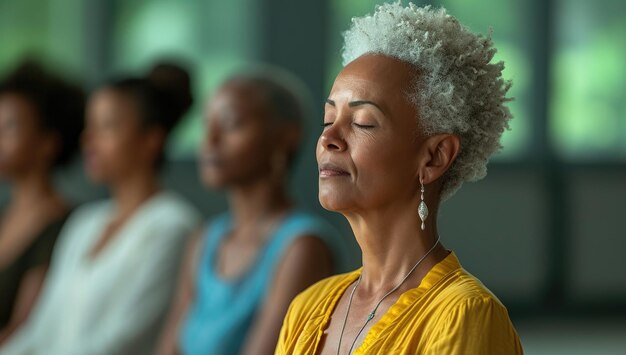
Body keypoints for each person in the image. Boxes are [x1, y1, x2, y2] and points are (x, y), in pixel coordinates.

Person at [276, 3, 523, 354]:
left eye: (362, 122)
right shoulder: (307, 308)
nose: (328, 138)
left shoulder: (462, 314)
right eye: (328, 119)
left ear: (434, 157)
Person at [0, 62, 200, 355]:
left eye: (107, 127)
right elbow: (39, 332)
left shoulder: (171, 226)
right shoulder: (85, 223)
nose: (88, 141)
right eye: (89, 126)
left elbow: (125, 338)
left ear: (151, 139)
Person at [157, 68, 350, 355]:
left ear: (285, 138)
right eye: (207, 124)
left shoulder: (302, 247)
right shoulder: (206, 239)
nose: (209, 140)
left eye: (231, 124)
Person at [0, 62, 84, 345]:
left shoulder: (65, 226)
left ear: (48, 142)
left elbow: (24, 332)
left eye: (9, 126)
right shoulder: (5, 214)